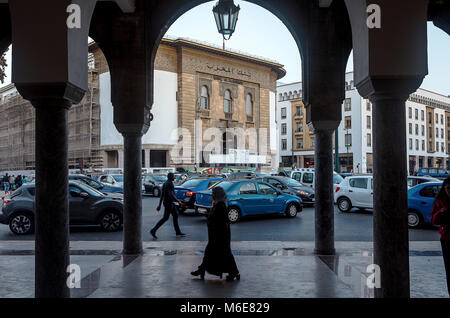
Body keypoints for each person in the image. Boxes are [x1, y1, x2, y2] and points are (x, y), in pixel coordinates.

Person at [191, 186, 239, 281]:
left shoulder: (220, 206)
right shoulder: (219, 205)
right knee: (212, 253)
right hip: (216, 235)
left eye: (213, 194)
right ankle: (202, 269)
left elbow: (221, 223)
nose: (212, 195)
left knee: (224, 254)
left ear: (216, 195)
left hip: (219, 236)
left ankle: (234, 272)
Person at [150, 172, 185, 239]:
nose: (174, 177)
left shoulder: (165, 183)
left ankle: (178, 232)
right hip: (169, 203)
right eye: (173, 176)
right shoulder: (170, 184)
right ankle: (153, 230)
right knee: (166, 218)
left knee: (175, 215)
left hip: (167, 202)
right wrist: (178, 201)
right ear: (171, 177)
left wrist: (159, 205)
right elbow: (171, 194)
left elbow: (162, 195)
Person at [431, 177, 450, 296]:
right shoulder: (440, 201)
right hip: (447, 239)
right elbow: (434, 220)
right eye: (448, 188)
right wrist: (441, 212)